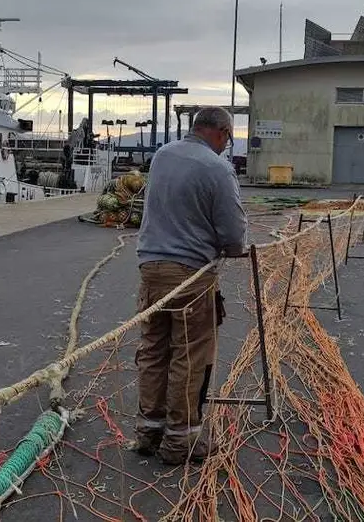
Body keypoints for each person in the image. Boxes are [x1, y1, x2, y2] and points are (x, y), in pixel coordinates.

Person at [134, 106, 247, 465]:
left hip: (151, 269)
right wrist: (232, 248)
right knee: (189, 353)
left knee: (154, 350)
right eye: (227, 138)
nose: (226, 145)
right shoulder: (218, 169)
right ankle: (180, 441)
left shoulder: (162, 156)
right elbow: (233, 233)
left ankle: (149, 431)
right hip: (191, 274)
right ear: (221, 132)